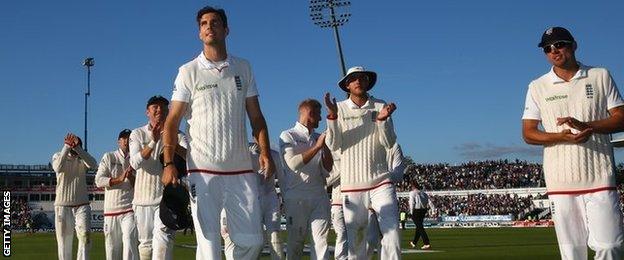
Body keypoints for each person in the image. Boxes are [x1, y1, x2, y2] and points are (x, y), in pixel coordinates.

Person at [161, 5, 276, 259]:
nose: (209, 27)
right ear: (199, 33)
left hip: (241, 169)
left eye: (214, 22)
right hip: (202, 171)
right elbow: (172, 122)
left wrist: (265, 151)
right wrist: (169, 162)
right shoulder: (188, 71)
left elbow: (256, 116)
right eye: (203, 24)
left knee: (253, 243)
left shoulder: (243, 68)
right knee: (209, 249)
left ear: (226, 29)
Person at [522, 26, 624, 260]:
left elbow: (621, 118)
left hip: (600, 176)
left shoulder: (600, 75)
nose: (554, 51)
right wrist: (561, 136)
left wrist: (588, 126)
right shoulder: (537, 86)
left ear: (573, 45)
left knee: (610, 246)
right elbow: (528, 133)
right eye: (547, 48)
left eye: (560, 44)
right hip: (560, 182)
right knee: (572, 255)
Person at [325, 66, 400, 259]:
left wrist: (382, 121)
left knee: (392, 234)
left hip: (381, 182)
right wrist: (332, 118)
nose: (358, 80)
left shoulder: (380, 105)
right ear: (347, 85)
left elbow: (389, 142)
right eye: (353, 78)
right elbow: (333, 145)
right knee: (357, 243)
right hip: (352, 186)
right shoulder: (339, 108)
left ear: (368, 82)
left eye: (362, 77)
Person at [129, 96, 188, 260]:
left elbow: (190, 157)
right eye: (155, 107)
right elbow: (134, 163)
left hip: (167, 199)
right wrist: (153, 142)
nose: (159, 110)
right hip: (143, 199)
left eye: (163, 107)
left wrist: (171, 143)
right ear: (147, 112)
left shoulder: (177, 133)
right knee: (146, 246)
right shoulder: (138, 133)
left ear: (169, 110)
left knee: (163, 241)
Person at [279, 99, 333, 260]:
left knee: (321, 242)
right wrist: (316, 147)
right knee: (296, 243)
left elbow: (328, 168)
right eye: (319, 115)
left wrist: (325, 148)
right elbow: (293, 163)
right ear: (310, 114)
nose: (321, 119)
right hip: (296, 197)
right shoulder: (288, 135)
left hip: (319, 196)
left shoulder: (319, 137)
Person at [51, 133, 97, 260]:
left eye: (77, 145)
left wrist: (78, 149)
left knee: (85, 238)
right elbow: (57, 168)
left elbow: (94, 165)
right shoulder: (58, 156)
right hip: (63, 206)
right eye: (73, 145)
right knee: (64, 243)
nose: (74, 147)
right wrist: (66, 146)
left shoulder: (82, 160)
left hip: (82, 205)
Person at [95, 129, 139, 260]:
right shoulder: (109, 157)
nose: (126, 141)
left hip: (129, 209)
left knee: (130, 242)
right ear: (118, 141)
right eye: (123, 139)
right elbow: (98, 181)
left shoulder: (135, 159)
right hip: (111, 211)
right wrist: (118, 179)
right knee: (112, 249)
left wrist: (131, 178)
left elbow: (139, 185)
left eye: (129, 139)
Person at [326, 154, 347, 260]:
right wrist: (343, 169)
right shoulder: (334, 157)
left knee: (353, 233)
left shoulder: (351, 156)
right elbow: (326, 181)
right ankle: (341, 258)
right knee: (341, 232)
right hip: (338, 203)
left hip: (352, 202)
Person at [408, 181, 431, 250]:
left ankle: (426, 243)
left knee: (420, 227)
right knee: (419, 226)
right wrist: (432, 210)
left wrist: (411, 212)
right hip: (423, 210)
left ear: (413, 186)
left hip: (416, 210)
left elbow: (412, 203)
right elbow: (429, 201)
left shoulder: (412, 193)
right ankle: (414, 243)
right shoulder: (424, 193)